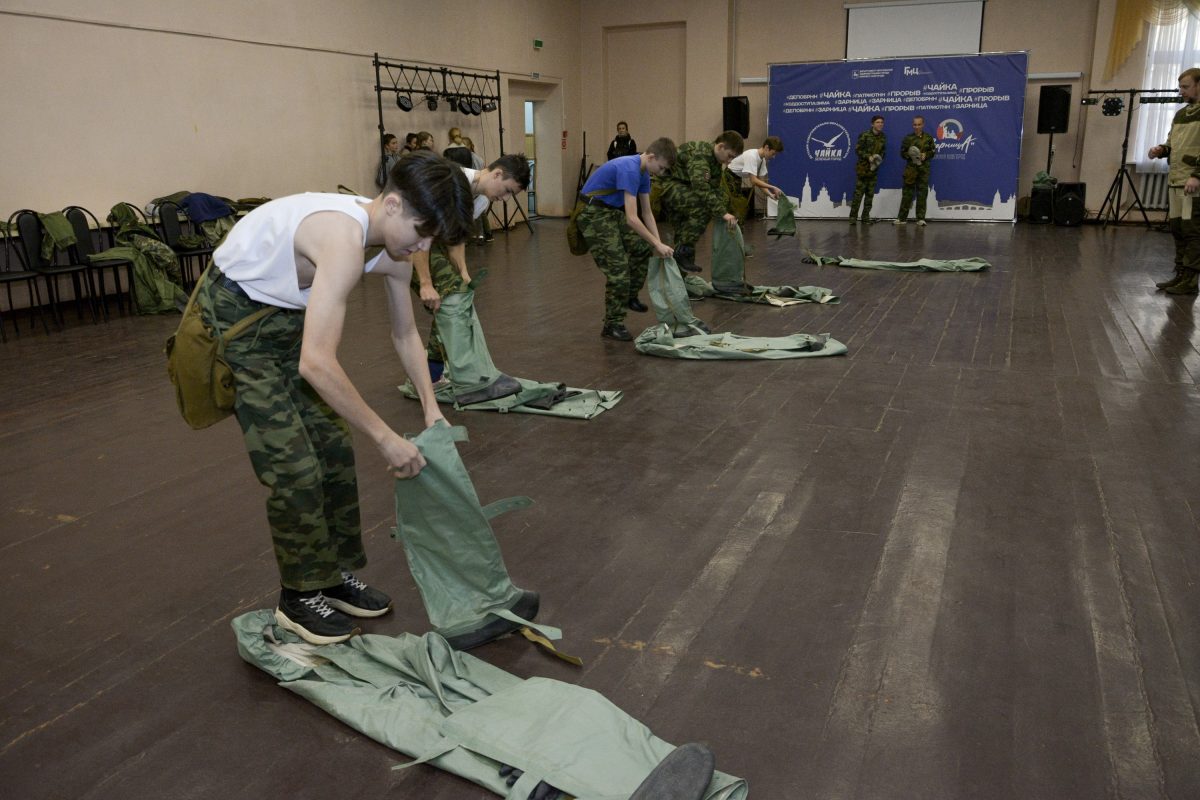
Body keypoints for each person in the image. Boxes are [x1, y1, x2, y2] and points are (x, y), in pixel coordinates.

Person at [199, 151, 475, 645]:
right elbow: (317, 363)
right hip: (234, 319)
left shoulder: (396, 250)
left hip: (283, 316)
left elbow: (406, 333)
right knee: (294, 465)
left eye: (433, 237)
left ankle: (329, 576)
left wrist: (432, 411)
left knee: (332, 446)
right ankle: (298, 597)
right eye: (421, 229)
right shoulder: (343, 238)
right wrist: (388, 438)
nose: (423, 245)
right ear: (391, 204)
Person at [412, 154, 530, 377]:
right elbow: (420, 231)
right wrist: (426, 283)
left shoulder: (483, 200)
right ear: (497, 174)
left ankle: (432, 374)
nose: (505, 199)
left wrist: (463, 273)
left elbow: (456, 237)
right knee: (451, 298)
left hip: (431, 241)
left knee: (456, 297)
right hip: (407, 239)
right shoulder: (450, 181)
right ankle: (431, 376)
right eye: (507, 191)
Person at [578, 138, 677, 341]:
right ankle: (612, 323)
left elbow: (647, 213)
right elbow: (632, 219)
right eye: (660, 167)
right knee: (619, 270)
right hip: (592, 214)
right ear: (651, 157)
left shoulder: (643, 172)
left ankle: (629, 295)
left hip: (610, 212)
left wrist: (657, 243)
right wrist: (657, 243)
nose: (660, 172)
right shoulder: (630, 169)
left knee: (642, 247)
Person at [654, 131, 744, 273]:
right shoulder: (700, 155)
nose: (729, 161)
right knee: (704, 206)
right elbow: (701, 188)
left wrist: (733, 214)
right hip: (668, 185)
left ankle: (681, 278)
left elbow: (716, 190)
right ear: (720, 147)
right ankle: (684, 249)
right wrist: (723, 213)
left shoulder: (715, 161)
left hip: (684, 187)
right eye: (730, 156)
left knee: (685, 229)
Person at [1149, 67, 1200, 295]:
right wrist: (1161, 150)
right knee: (1178, 228)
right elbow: (1173, 144)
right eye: (1180, 87)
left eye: (1186, 87)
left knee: (1192, 230)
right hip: (1176, 180)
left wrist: (1197, 175)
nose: (1181, 91)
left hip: (1192, 184)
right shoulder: (1181, 114)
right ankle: (1180, 274)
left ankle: (1190, 280)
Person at [727, 136, 784, 221]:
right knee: (734, 209)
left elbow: (760, 182)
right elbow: (754, 181)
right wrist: (773, 187)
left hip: (736, 179)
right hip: (728, 178)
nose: (773, 157)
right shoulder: (752, 156)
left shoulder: (762, 160)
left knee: (737, 211)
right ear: (767, 147)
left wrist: (771, 195)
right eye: (773, 153)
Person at [894, 115, 936, 225]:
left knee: (922, 195)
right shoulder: (908, 138)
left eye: (919, 124)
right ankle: (902, 219)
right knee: (907, 194)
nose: (917, 127)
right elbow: (902, 153)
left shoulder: (929, 138)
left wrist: (925, 155)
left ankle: (920, 219)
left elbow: (933, 152)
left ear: (923, 125)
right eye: (915, 124)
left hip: (923, 170)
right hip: (910, 170)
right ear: (912, 125)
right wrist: (910, 155)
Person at [849, 115, 885, 224]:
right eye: (878, 122)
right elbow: (858, 150)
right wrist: (868, 156)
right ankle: (852, 218)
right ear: (872, 124)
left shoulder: (883, 137)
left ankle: (865, 218)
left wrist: (878, 159)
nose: (880, 124)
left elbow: (883, 152)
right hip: (863, 169)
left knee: (869, 196)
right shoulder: (865, 135)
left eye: (882, 122)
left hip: (873, 170)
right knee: (858, 195)